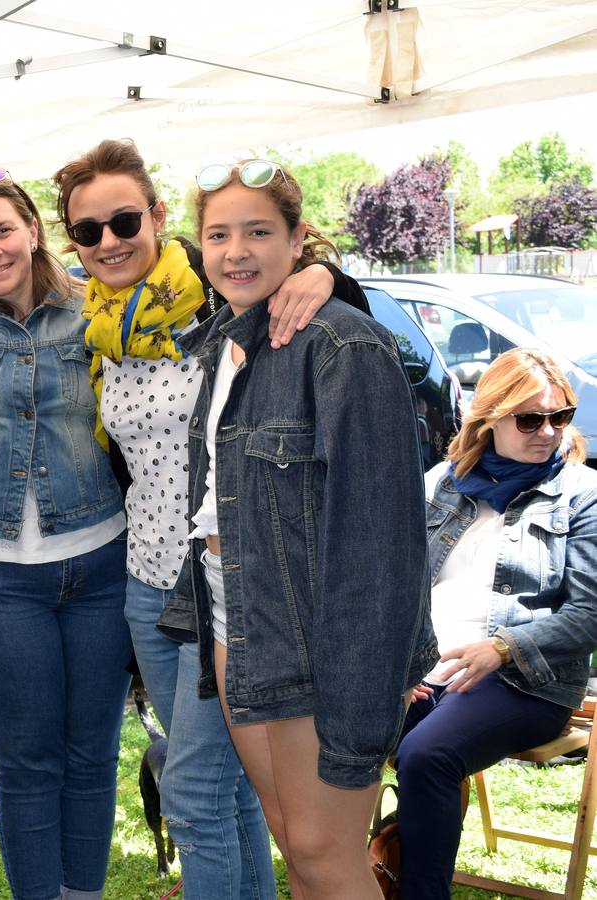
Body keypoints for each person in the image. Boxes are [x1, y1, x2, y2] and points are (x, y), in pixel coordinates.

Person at [53, 138, 364, 899]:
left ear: (158, 216)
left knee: (191, 793)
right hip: (147, 587)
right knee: (228, 796)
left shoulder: (222, 299)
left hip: (228, 593)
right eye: (87, 231)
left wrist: (327, 273)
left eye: (124, 219)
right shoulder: (97, 324)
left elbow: (335, 320)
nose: (108, 241)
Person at [180, 159, 435, 899]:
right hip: (237, 621)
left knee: (326, 852)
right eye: (219, 234)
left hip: (321, 637)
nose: (237, 251)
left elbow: (381, 544)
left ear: (299, 242)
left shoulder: (341, 345)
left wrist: (361, 690)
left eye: (259, 231)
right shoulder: (226, 342)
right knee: (295, 843)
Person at [0, 169, 127, 900]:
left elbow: (195, 279)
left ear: (33, 230)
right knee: (28, 759)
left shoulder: (97, 307)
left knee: (93, 752)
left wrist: (319, 274)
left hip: (102, 563)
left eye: (2, 229)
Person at [396, 348, 595, 899]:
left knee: (426, 755)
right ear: (489, 418)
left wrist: (501, 649)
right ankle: (355, 874)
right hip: (426, 670)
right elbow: (396, 583)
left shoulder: (582, 495)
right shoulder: (444, 482)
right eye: (530, 419)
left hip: (523, 681)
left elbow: (589, 615)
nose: (548, 432)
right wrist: (399, 662)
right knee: (336, 728)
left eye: (560, 417)